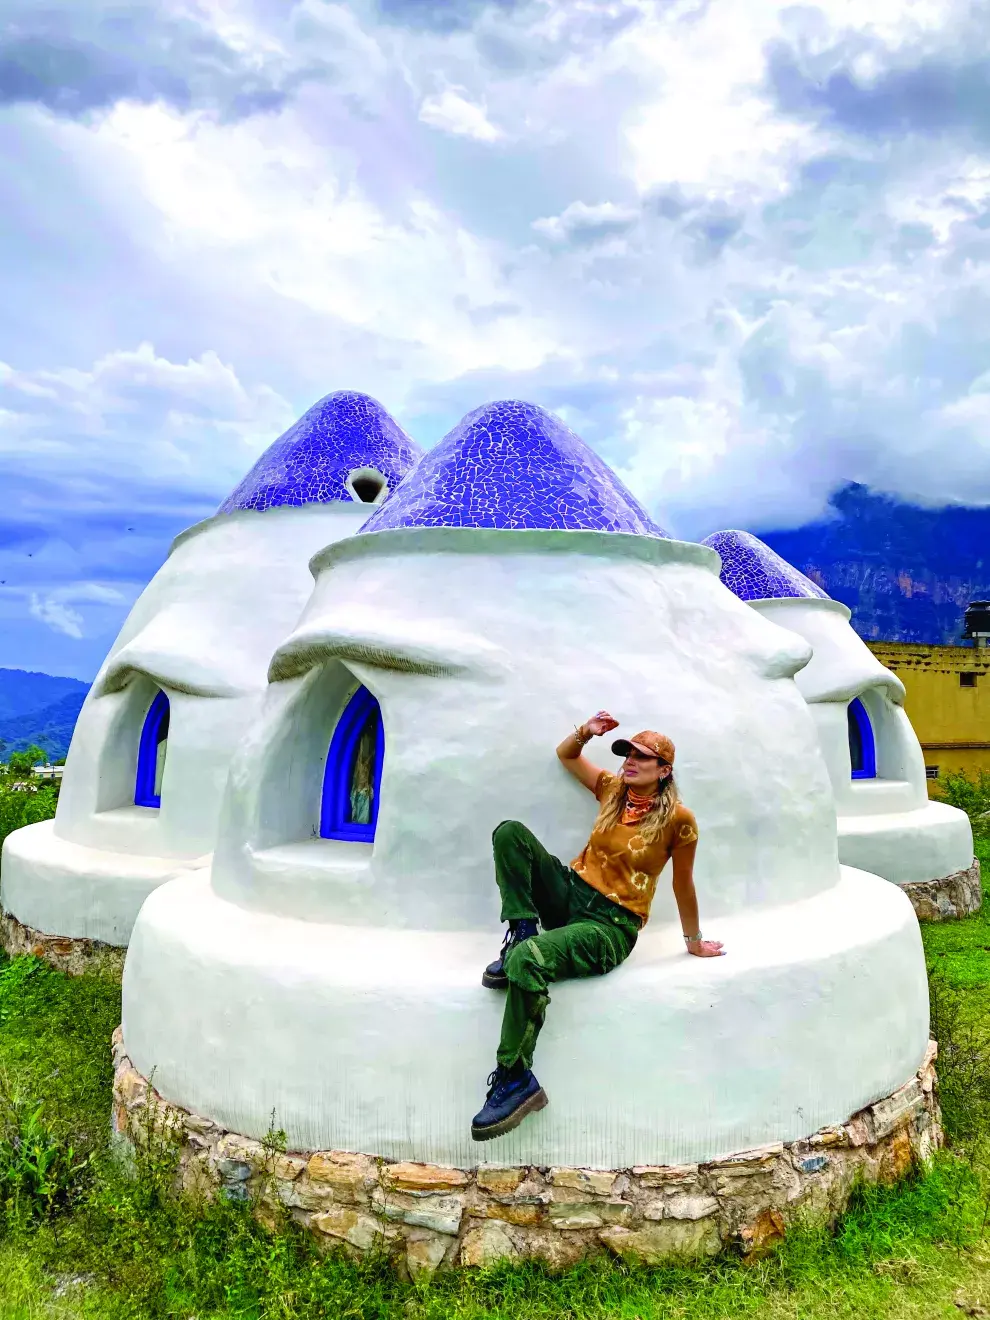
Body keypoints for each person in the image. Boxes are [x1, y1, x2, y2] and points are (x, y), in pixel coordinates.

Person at [471, 711, 724, 1142]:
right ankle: (523, 931)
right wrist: (585, 733)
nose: (631, 761)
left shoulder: (679, 820)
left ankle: (516, 1078)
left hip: (610, 924)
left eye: (643, 757)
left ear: (664, 771)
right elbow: (566, 756)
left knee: (529, 964)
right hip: (571, 893)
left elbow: (683, 884)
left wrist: (694, 941)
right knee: (510, 833)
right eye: (628, 753)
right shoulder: (611, 790)